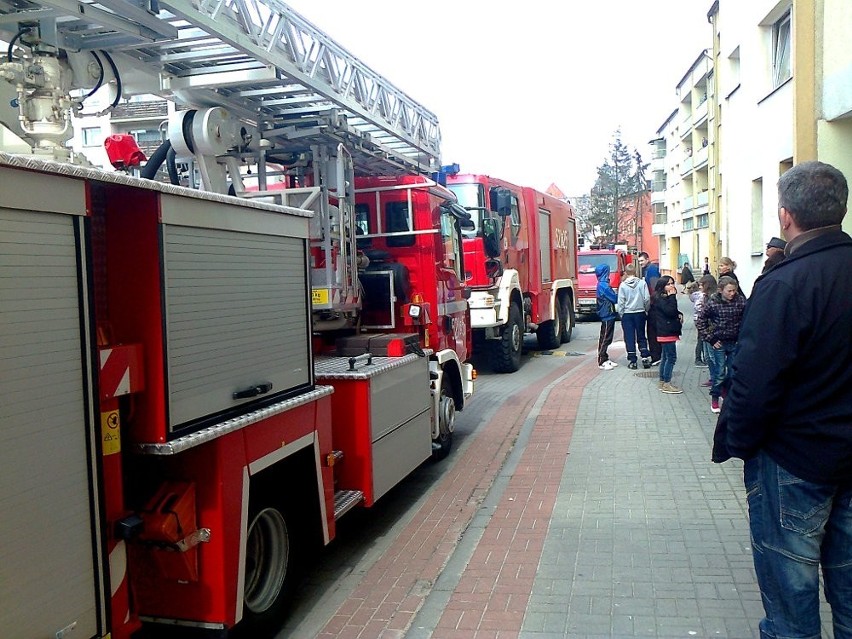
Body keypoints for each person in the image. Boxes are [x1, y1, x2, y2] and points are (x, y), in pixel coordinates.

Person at [712, 161, 852, 639]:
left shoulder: (783, 283)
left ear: (785, 215)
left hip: (794, 463)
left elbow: (753, 384)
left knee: (791, 615)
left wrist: (743, 443)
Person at [696, 275, 745, 413]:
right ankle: (715, 398)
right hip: (719, 343)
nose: (732, 293)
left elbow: (747, 317)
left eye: (734, 290)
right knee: (720, 372)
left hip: (734, 341)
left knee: (732, 372)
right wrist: (710, 338)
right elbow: (700, 321)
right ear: (721, 290)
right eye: (729, 291)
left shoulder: (740, 301)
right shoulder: (713, 303)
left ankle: (727, 393)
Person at [649, 275, 683, 393]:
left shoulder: (664, 298)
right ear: (662, 286)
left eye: (672, 283)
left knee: (665, 357)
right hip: (666, 331)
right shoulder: (661, 298)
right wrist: (673, 296)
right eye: (668, 284)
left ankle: (662, 381)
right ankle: (667, 383)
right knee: (671, 357)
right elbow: (670, 311)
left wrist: (679, 314)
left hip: (667, 330)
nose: (671, 286)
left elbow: (672, 311)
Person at [616, 262, 651, 370]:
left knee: (629, 336)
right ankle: (645, 357)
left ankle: (632, 360)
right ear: (635, 271)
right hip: (640, 312)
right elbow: (647, 298)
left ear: (626, 272)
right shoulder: (642, 283)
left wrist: (621, 313)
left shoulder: (623, 285)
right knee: (641, 335)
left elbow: (621, 302)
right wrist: (646, 309)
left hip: (627, 314)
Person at [637, 252, 662, 364]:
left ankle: (656, 356)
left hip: (654, 305)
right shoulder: (648, 269)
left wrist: (651, 301)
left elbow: (654, 287)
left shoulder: (651, 270)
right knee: (652, 331)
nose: (640, 263)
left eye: (642, 260)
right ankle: (657, 355)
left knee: (652, 331)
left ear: (647, 259)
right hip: (653, 303)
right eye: (639, 261)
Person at [595, 263, 619, 370]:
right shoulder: (603, 285)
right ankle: (601, 360)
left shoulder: (602, 283)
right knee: (605, 338)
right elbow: (614, 298)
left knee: (607, 337)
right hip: (606, 315)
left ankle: (605, 358)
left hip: (608, 314)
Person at [685, 280, 706, 367]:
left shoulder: (693, 296)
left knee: (700, 338)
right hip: (701, 318)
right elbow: (698, 307)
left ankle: (700, 358)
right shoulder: (701, 295)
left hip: (696, 318)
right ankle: (699, 359)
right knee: (701, 339)